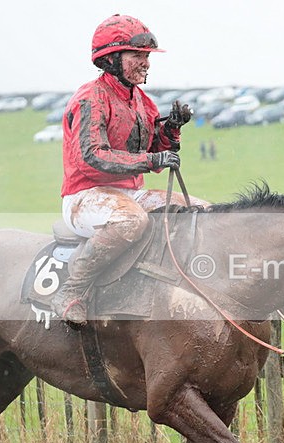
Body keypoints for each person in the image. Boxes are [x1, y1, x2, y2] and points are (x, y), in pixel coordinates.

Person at [53, 14, 204, 326]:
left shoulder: (141, 101)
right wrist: (151, 162)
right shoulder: (90, 98)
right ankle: (71, 291)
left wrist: (172, 129)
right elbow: (92, 158)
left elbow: (154, 151)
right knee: (130, 221)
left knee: (200, 211)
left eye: (146, 56)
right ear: (110, 59)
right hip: (86, 196)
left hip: (128, 193)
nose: (145, 63)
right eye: (137, 55)